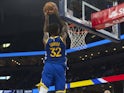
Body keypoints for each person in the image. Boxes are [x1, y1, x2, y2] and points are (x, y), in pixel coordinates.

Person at [36, 3, 68, 93]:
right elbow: (65, 25)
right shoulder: (62, 38)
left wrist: (46, 17)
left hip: (49, 65)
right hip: (60, 66)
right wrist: (57, 13)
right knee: (60, 88)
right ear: (58, 30)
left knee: (44, 86)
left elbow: (45, 30)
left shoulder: (47, 40)